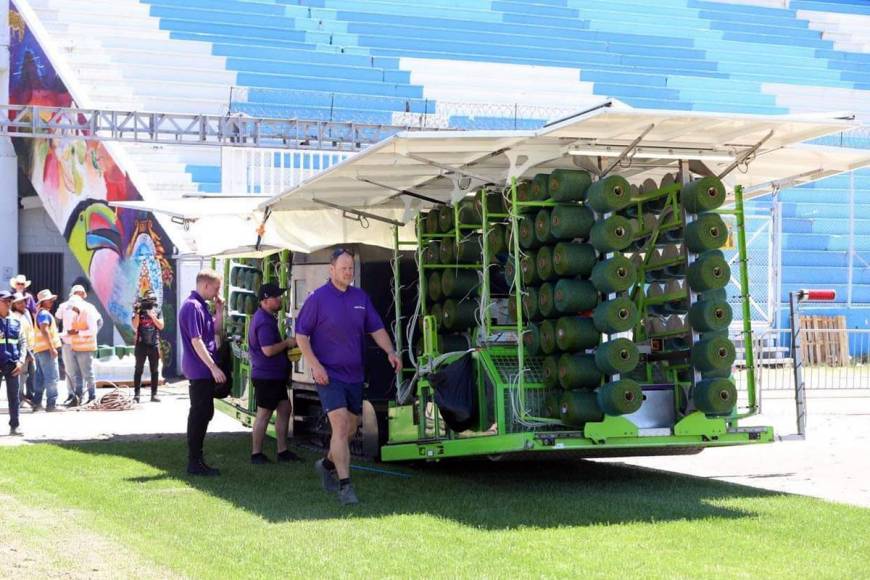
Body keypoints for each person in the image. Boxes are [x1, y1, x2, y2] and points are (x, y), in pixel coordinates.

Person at [295, 248, 402, 505]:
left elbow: (376, 328)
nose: (348, 272)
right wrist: (315, 365)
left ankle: (327, 464)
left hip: (354, 374)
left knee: (351, 429)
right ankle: (345, 486)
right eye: (343, 268)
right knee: (341, 426)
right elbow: (301, 336)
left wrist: (390, 351)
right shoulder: (317, 299)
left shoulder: (360, 297)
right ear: (331, 270)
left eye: (351, 268)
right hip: (328, 375)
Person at [179, 269, 226, 476]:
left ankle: (197, 459)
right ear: (205, 285)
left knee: (205, 412)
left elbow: (215, 332)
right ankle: (194, 461)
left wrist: (219, 310)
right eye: (216, 288)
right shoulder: (192, 307)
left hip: (202, 370)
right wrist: (213, 367)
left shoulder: (202, 307)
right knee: (199, 414)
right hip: (199, 370)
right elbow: (196, 341)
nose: (217, 293)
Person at [248, 282, 301, 464]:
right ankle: (256, 454)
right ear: (265, 300)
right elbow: (268, 350)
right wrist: (287, 343)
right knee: (264, 414)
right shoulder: (263, 321)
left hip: (273, 376)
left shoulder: (265, 317)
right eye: (276, 297)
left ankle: (282, 451)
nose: (280, 299)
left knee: (285, 408)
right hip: (267, 376)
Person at [0, 291, 27, 436]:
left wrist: (21, 361)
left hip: (13, 364)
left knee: (14, 397)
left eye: (10, 301)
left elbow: (23, 343)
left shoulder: (16, 321)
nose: (8, 303)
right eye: (5, 301)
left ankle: (15, 426)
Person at [66, 285, 99, 405]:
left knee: (88, 373)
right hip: (76, 347)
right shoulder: (75, 313)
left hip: (86, 348)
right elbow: (73, 329)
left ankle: (92, 396)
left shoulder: (88, 310)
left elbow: (93, 330)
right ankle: (78, 397)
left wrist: (78, 332)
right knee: (77, 375)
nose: (72, 308)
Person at [131, 290, 164, 403]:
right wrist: (136, 312)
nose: (150, 303)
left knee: (154, 370)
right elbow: (135, 326)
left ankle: (154, 395)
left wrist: (152, 316)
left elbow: (161, 326)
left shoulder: (158, 309)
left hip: (153, 344)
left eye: (152, 301)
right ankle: (136, 395)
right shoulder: (139, 309)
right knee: (138, 369)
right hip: (141, 344)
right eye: (148, 301)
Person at [32, 289, 61, 412]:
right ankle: (51, 404)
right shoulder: (44, 314)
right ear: (43, 302)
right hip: (46, 350)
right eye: (49, 300)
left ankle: (37, 403)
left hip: (40, 350)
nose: (51, 302)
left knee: (41, 377)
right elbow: (45, 330)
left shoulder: (40, 313)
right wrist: (52, 348)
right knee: (52, 377)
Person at [10, 292, 35, 407]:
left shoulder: (26, 314)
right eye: (19, 303)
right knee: (22, 375)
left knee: (28, 374)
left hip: (30, 347)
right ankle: (19, 398)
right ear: (14, 305)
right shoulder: (14, 316)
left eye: (23, 302)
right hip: (22, 350)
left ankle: (26, 397)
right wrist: (27, 352)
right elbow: (19, 337)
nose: (22, 304)